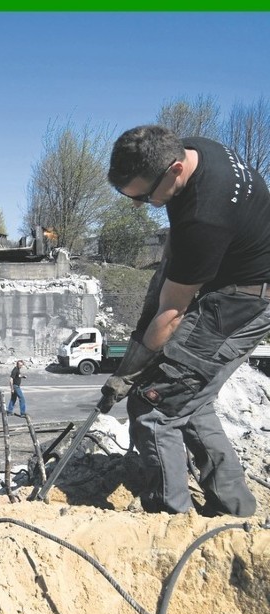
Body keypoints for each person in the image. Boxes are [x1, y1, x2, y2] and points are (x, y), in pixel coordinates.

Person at [100, 124, 270, 517]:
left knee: (153, 408)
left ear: (175, 169)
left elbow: (172, 313)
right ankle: (235, 508)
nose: (139, 205)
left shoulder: (204, 219)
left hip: (242, 303)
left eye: (144, 196)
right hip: (234, 278)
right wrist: (142, 346)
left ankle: (169, 521)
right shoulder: (195, 150)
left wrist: (129, 375)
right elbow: (167, 280)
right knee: (186, 399)